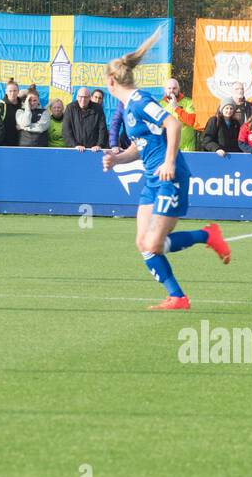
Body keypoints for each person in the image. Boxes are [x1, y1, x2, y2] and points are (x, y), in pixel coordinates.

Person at [100, 30, 230, 311]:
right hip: (152, 180)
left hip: (170, 177)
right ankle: (178, 298)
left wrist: (170, 162)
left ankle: (208, 236)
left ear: (111, 82)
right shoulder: (129, 107)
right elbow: (142, 145)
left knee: (154, 244)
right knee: (143, 243)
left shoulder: (139, 101)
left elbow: (174, 124)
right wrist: (118, 159)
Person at [63, 87, 109, 151]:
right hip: (75, 149)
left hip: (94, 151)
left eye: (85, 97)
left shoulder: (98, 108)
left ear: (90, 98)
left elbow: (102, 128)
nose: (83, 100)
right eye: (81, 97)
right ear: (77, 97)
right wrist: (74, 145)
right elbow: (66, 129)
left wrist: (99, 145)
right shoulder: (70, 108)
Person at [159, 78, 197, 153]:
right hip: (166, 149)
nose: (172, 91)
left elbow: (191, 121)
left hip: (186, 149)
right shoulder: (160, 104)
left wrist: (176, 108)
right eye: (169, 88)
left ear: (178, 89)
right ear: (165, 90)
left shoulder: (188, 102)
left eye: (174, 88)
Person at [0, 81, 23, 146]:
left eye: (15, 91)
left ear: (18, 91)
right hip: (2, 144)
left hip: (20, 144)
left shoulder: (24, 106)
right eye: (10, 91)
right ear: (6, 91)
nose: (12, 93)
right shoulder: (0, 106)